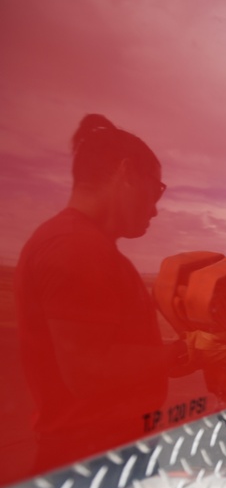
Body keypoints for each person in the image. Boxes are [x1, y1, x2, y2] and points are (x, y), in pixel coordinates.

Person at [14, 114, 182, 463]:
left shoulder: (83, 243)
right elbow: (88, 371)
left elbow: (102, 349)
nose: (154, 209)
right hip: (92, 457)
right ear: (126, 173)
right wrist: (183, 354)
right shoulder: (76, 247)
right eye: (156, 190)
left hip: (100, 450)